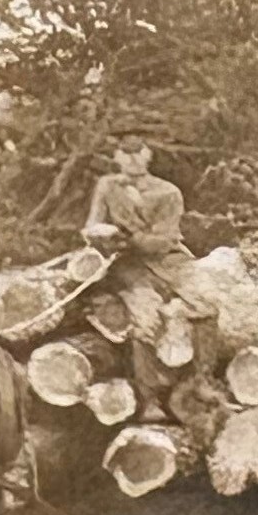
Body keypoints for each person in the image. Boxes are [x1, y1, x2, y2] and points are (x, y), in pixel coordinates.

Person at [83, 133, 196, 420]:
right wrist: (100, 237)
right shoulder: (107, 185)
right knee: (144, 310)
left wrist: (130, 237)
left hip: (167, 263)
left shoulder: (168, 192)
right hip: (124, 265)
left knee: (201, 308)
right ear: (117, 157)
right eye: (125, 152)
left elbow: (163, 241)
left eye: (138, 151)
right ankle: (150, 396)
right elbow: (92, 226)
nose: (132, 158)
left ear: (149, 155)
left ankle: (193, 388)